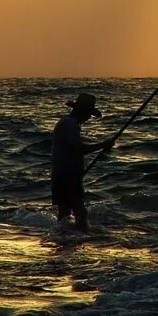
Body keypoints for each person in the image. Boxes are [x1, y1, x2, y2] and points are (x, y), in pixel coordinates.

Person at [51, 93, 114, 232]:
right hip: (67, 175)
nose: (89, 117)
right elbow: (78, 149)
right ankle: (79, 239)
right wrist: (102, 145)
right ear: (82, 111)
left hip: (62, 173)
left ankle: (63, 241)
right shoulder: (70, 124)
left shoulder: (68, 123)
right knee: (80, 213)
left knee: (64, 213)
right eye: (88, 114)